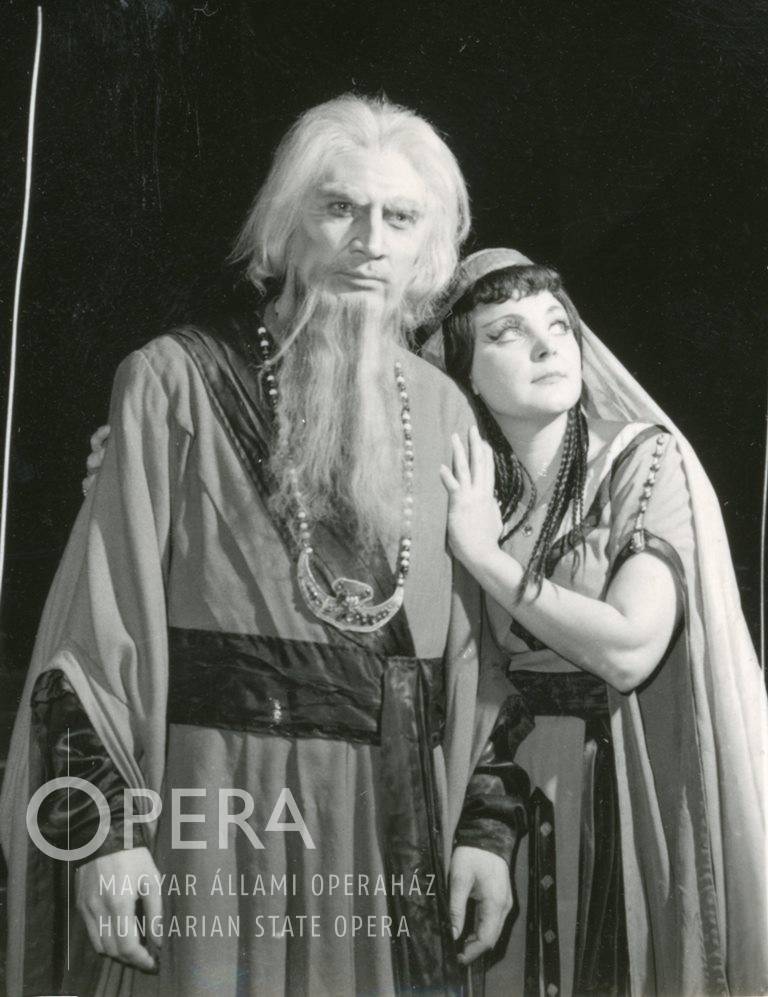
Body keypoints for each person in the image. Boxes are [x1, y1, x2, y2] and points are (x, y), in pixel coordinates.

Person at [0, 99, 520, 997]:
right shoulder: (172, 380)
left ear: (429, 249)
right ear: (284, 226)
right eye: (340, 208)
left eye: (401, 218)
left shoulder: (444, 410)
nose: (370, 242)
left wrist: (483, 829)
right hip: (214, 809)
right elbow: (97, 626)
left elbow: (475, 654)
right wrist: (106, 835)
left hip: (387, 817)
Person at [429, 247, 768, 996]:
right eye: (507, 332)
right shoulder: (467, 490)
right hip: (503, 804)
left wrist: (483, 555)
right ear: (464, 371)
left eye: (558, 324)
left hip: (621, 790)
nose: (547, 345)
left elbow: (629, 647)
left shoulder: (645, 460)